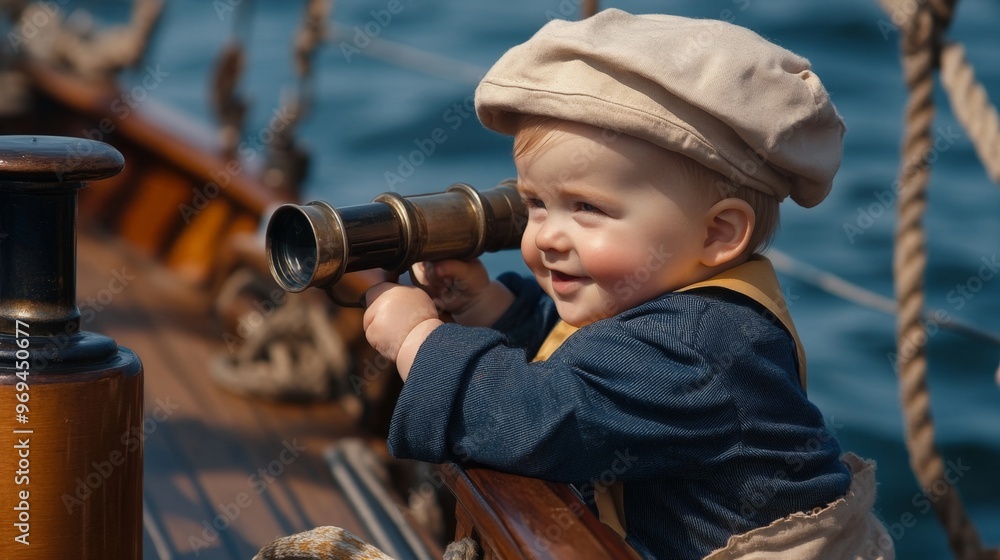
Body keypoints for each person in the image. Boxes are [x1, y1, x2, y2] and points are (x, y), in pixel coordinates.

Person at [362, 10, 893, 560]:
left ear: (718, 233)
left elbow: (541, 419)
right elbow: (595, 369)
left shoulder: (701, 348)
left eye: (587, 207)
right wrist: (491, 309)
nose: (547, 237)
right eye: (537, 204)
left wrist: (419, 341)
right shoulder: (670, 308)